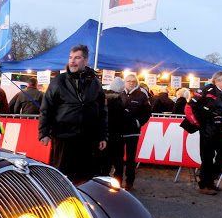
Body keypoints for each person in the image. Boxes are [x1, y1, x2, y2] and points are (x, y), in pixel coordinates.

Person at [39, 44, 108, 180]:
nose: (72, 61)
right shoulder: (59, 81)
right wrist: (44, 133)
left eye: (77, 58)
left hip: (88, 139)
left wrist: (103, 136)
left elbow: (102, 112)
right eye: (71, 57)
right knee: (60, 178)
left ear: (85, 61)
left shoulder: (95, 83)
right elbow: (46, 108)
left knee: (84, 178)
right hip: (64, 137)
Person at [188, 71, 222, 195]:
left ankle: (209, 179)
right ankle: (204, 184)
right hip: (208, 128)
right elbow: (191, 106)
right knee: (207, 156)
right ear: (217, 81)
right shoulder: (207, 90)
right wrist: (198, 122)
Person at [112, 73, 152, 190]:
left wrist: (138, 123)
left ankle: (130, 181)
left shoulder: (142, 95)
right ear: (125, 82)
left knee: (130, 158)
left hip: (133, 132)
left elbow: (147, 113)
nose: (130, 83)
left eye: (133, 81)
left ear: (136, 83)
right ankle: (117, 179)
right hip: (119, 132)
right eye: (128, 81)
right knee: (118, 157)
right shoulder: (120, 94)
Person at [100, 77, 128, 176]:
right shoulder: (118, 102)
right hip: (117, 135)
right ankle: (117, 184)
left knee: (105, 162)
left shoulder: (104, 100)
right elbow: (122, 120)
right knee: (118, 162)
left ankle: (103, 181)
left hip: (105, 135)